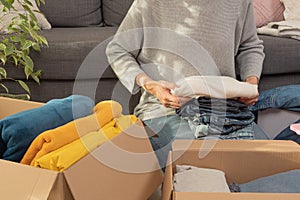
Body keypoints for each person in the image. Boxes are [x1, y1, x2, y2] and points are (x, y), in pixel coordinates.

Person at [106, 0, 266, 169]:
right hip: (165, 109)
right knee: (196, 172)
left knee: (269, 169)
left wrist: (250, 83)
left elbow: (249, 45)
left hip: (227, 111)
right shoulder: (151, 3)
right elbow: (118, 49)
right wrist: (151, 85)